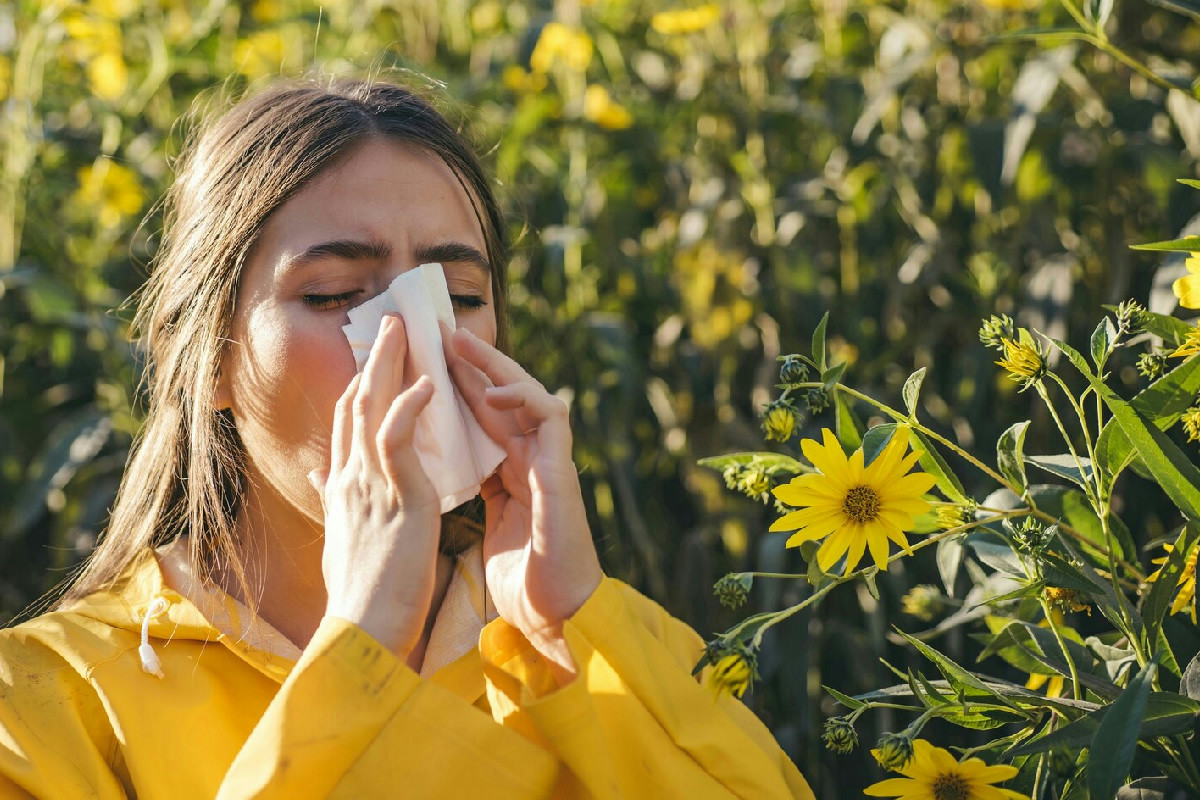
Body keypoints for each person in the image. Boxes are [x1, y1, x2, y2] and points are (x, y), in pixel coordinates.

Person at [0, 77, 815, 799]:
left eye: (458, 295)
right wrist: (359, 649)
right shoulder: (48, 699)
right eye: (332, 295)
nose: (413, 342)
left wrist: (571, 623)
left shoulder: (619, 646)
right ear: (204, 360)